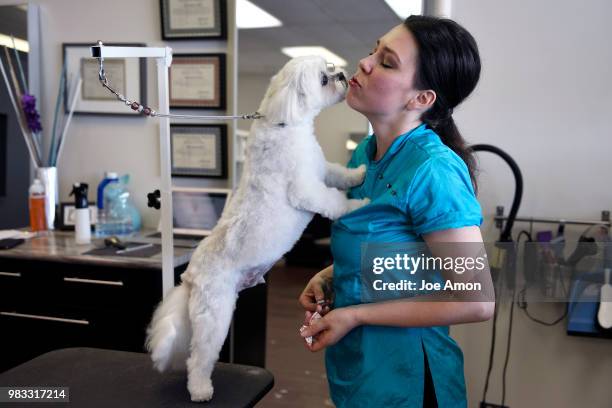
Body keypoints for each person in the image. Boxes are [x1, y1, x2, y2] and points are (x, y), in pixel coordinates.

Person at [298, 15, 495, 408]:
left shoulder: (432, 170)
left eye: (386, 62)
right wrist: (334, 274)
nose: (365, 63)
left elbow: (476, 301)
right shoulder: (365, 155)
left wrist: (356, 316)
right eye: (374, 50)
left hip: (409, 381)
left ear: (421, 98)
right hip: (361, 371)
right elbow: (399, 253)